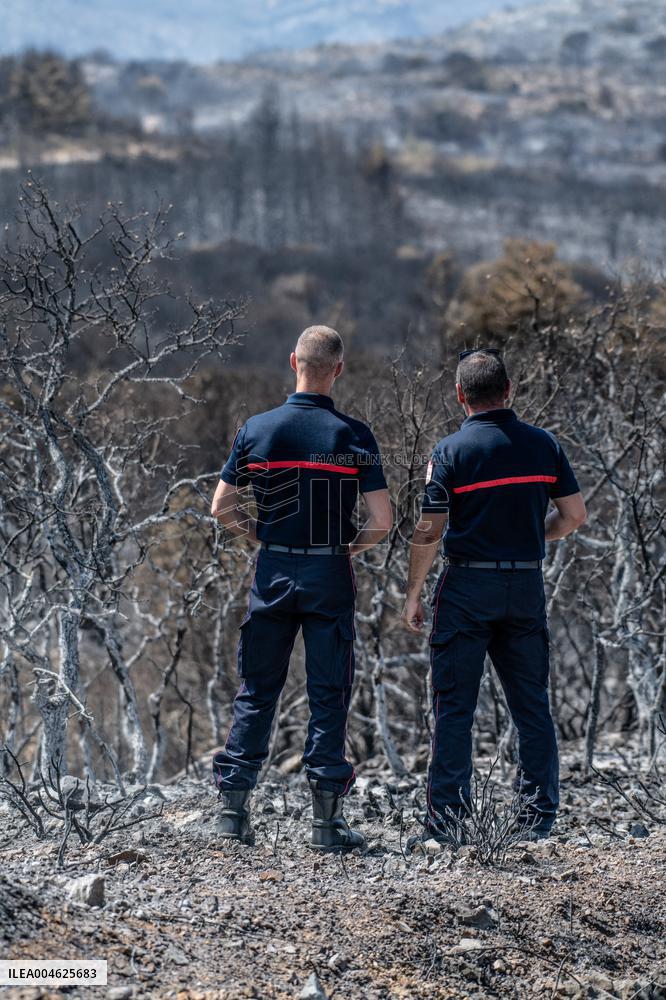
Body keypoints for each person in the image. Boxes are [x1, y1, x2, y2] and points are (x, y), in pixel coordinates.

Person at [210, 326, 392, 850]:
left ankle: (232, 815)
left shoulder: (257, 429)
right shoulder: (354, 435)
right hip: (328, 571)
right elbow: (381, 520)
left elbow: (220, 506)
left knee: (258, 689)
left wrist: (259, 535)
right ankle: (325, 824)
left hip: (274, 569)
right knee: (328, 692)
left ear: (294, 361)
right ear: (338, 368)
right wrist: (350, 547)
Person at [402, 348, 586, 842]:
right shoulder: (544, 445)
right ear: (509, 390)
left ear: (460, 395)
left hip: (466, 586)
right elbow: (574, 516)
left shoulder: (448, 452)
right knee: (531, 706)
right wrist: (532, 537)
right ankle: (536, 818)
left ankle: (447, 823)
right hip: (524, 585)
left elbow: (429, 528)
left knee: (455, 709)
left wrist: (414, 592)